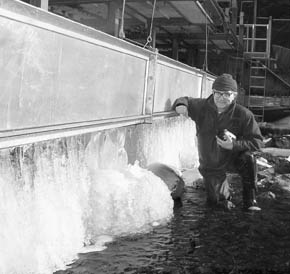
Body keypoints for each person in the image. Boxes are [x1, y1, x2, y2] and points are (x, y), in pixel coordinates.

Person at [173, 73, 263, 211]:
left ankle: (250, 200)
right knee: (219, 205)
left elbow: (257, 142)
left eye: (227, 94)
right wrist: (181, 106)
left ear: (234, 95)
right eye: (218, 93)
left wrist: (234, 145)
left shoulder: (244, 114)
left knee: (249, 159)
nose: (222, 98)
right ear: (213, 92)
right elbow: (184, 100)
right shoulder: (202, 107)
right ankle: (224, 194)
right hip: (211, 165)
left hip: (233, 158)